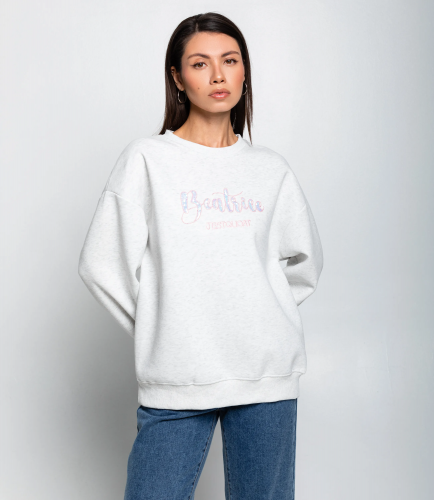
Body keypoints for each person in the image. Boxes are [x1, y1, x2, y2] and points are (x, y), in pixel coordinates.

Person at [78, 12, 324, 500]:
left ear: (244, 71)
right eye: (199, 63)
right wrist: (164, 327)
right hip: (178, 375)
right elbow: (100, 265)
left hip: (266, 375)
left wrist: (255, 312)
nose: (217, 75)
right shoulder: (147, 160)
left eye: (229, 60)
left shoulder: (270, 169)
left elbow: (305, 264)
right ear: (177, 78)